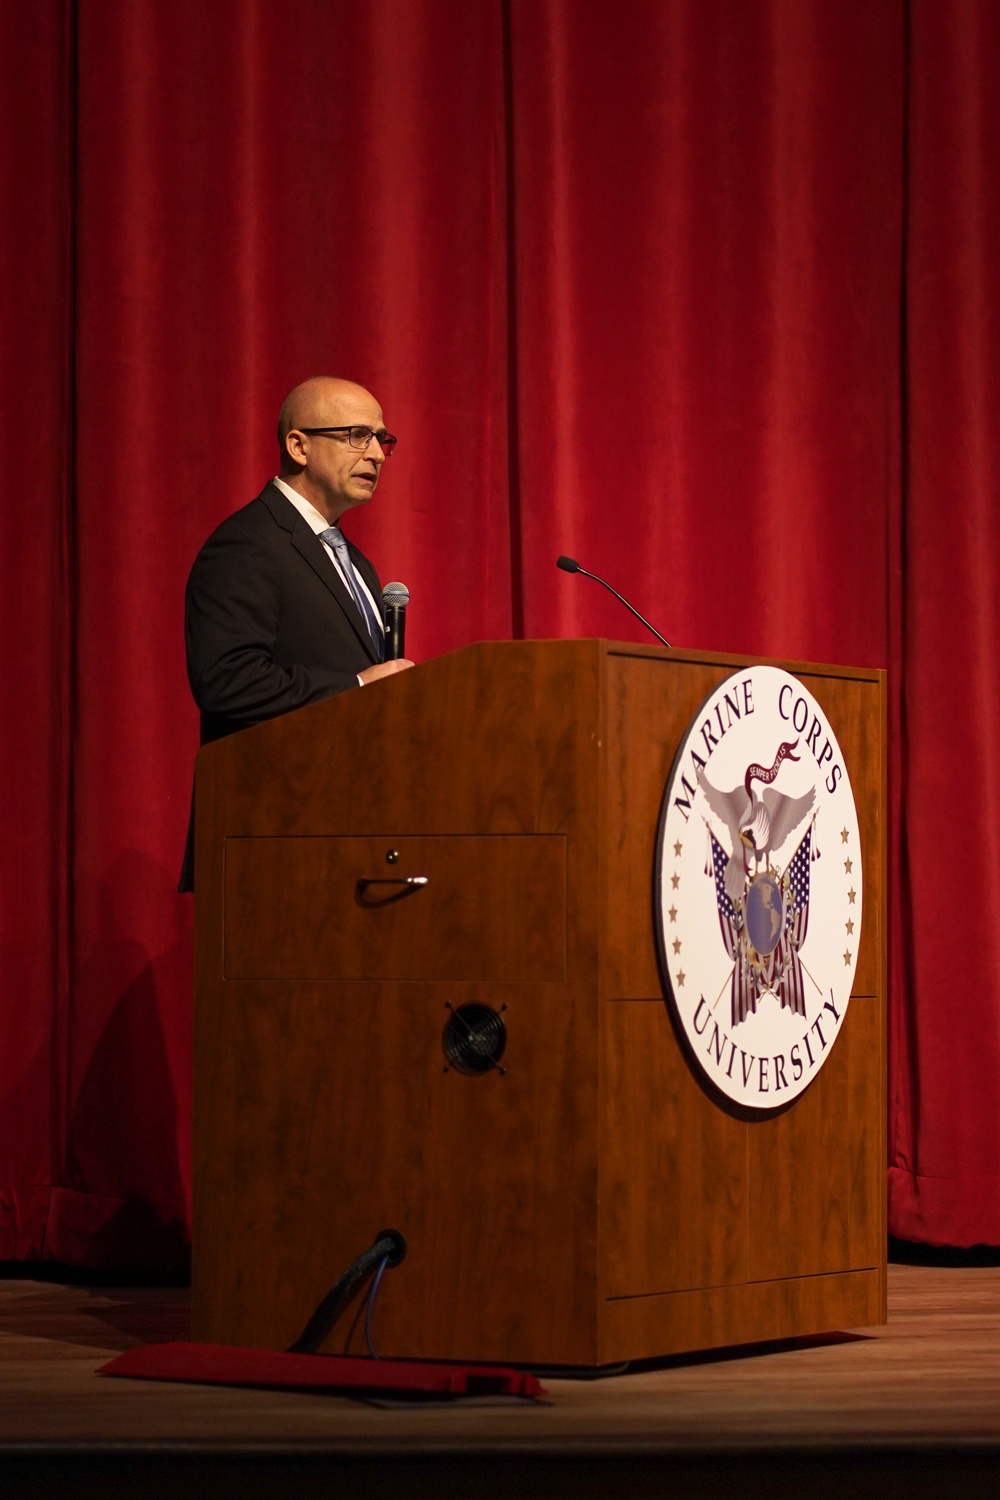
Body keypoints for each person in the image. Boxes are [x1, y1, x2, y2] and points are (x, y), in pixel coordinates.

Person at [180, 376, 414, 888]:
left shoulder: (355, 563)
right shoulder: (248, 544)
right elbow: (226, 679)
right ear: (298, 445)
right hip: (271, 843)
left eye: (382, 439)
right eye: (357, 435)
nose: (376, 453)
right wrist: (357, 687)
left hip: (346, 836)